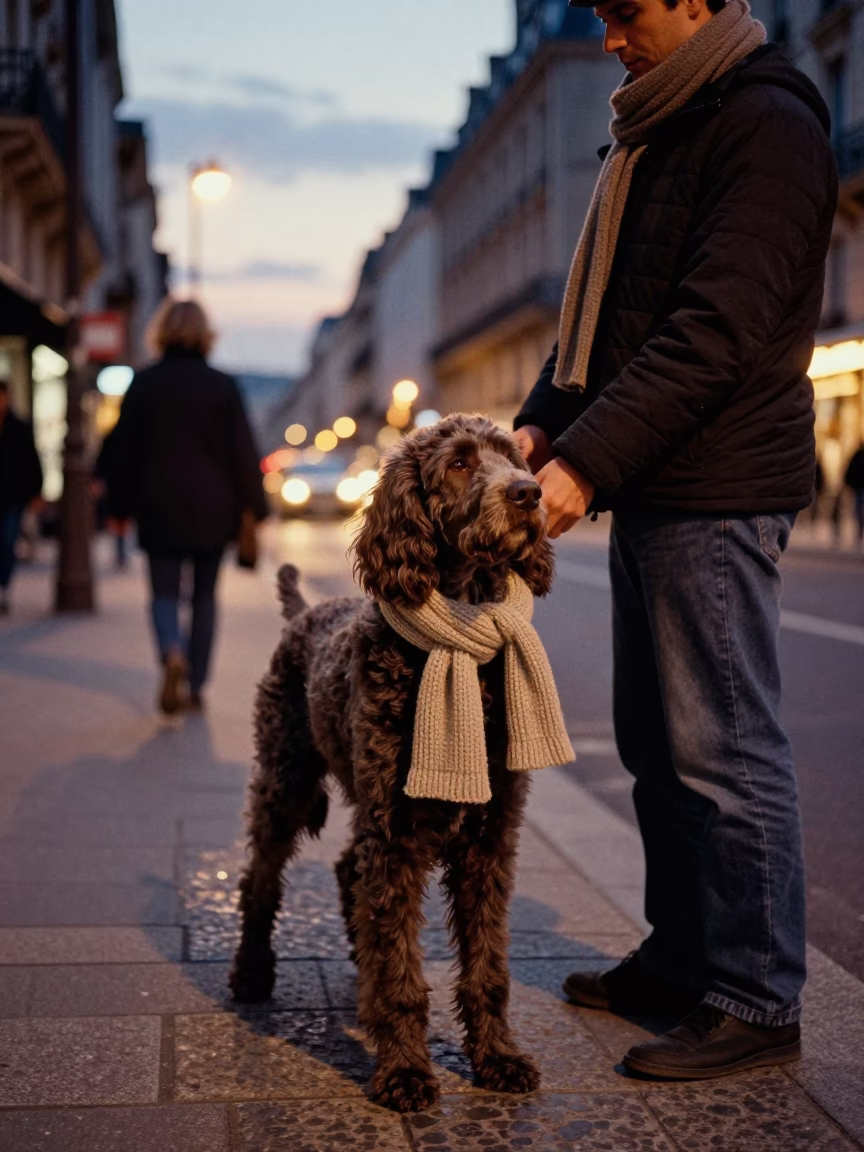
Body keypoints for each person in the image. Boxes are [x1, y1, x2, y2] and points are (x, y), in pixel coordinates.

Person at [513, 0, 837, 1079]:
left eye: (628, 11)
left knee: (726, 748)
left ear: (698, 1)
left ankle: (755, 994)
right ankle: (683, 955)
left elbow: (712, 328)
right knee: (658, 745)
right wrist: (540, 419)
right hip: (660, 480)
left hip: (718, 484)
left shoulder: (765, 119)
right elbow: (607, 319)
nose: (611, 36)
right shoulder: (661, 125)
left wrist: (585, 460)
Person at [105, 299, 268, 714]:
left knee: (162, 592)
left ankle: (171, 651)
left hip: (157, 504)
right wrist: (256, 506)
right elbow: (243, 451)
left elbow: (123, 451)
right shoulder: (222, 384)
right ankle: (195, 683)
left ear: (160, 332)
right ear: (205, 334)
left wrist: (117, 505)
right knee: (204, 597)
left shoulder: (144, 383)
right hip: (213, 509)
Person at [0, 379, 44, 616]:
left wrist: (36, 492)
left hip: (11, 496)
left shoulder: (19, 428)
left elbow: (32, 461)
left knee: (7, 543)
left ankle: (4, 587)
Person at [843, 445, 864, 547]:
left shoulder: (857, 455)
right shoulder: (857, 456)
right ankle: (859, 530)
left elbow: (849, 471)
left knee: (859, 510)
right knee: (859, 510)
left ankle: (859, 530)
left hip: (858, 487)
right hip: (859, 487)